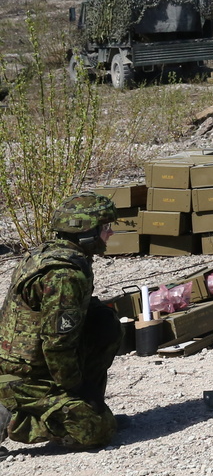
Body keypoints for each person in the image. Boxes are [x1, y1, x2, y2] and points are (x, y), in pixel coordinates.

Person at [0, 193, 122, 450]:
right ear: (87, 234)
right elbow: (58, 344)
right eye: (105, 228)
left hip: (33, 366)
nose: (110, 234)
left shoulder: (50, 254)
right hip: (24, 375)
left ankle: (77, 406)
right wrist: (77, 387)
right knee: (97, 432)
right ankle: (11, 415)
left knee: (103, 320)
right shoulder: (65, 275)